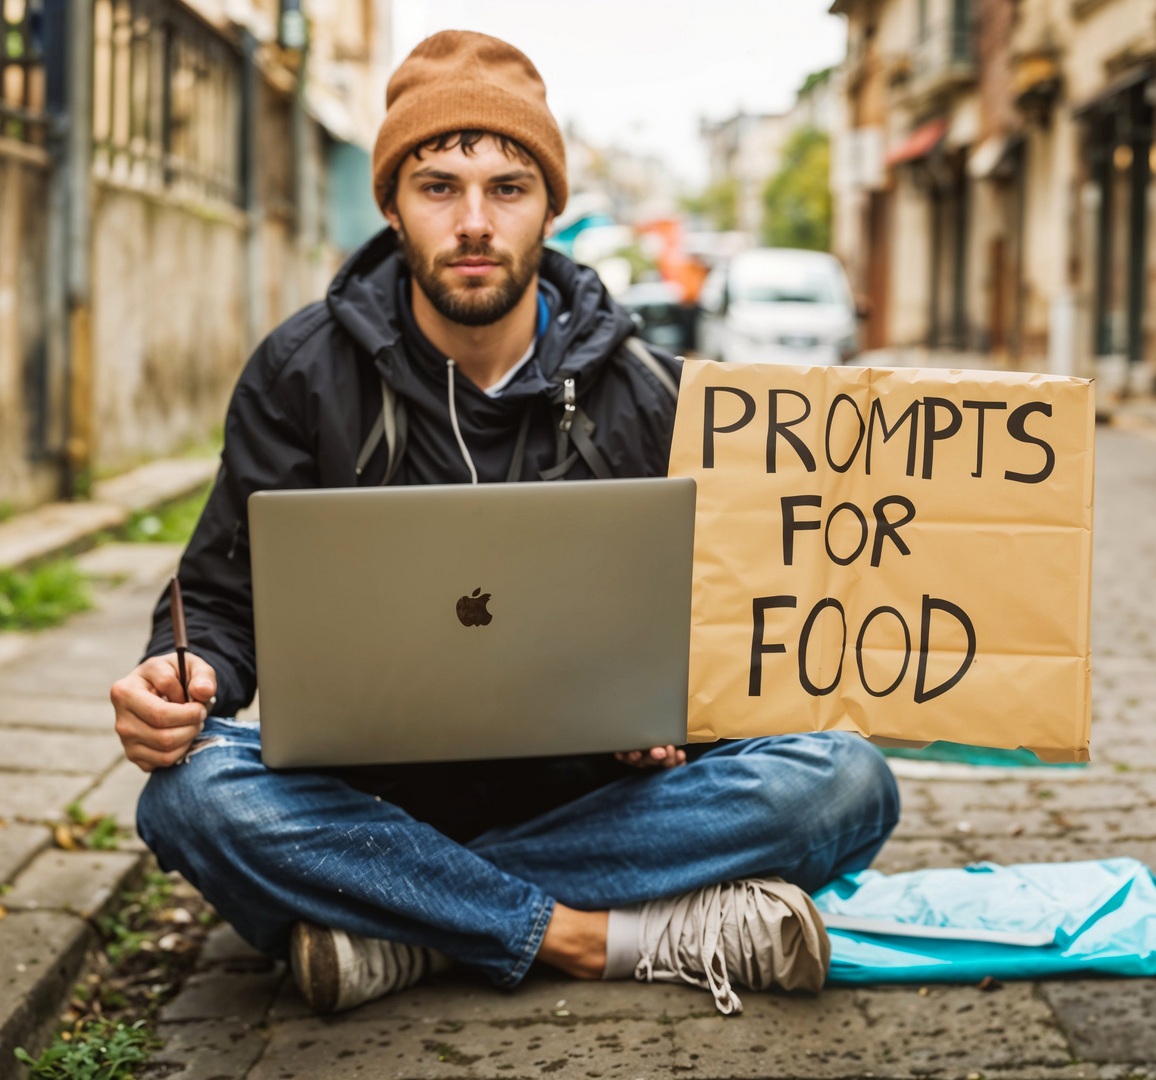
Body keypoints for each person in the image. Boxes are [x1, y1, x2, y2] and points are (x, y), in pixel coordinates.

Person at [109, 30, 899, 1017]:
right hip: (369, 797)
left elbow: (725, 628)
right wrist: (187, 676)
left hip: (595, 800)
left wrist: (680, 721)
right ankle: (585, 936)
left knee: (848, 778)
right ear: (391, 203)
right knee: (188, 793)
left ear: (552, 208)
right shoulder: (299, 372)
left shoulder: (653, 392)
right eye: (439, 186)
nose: (474, 221)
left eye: (508, 189)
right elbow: (220, 597)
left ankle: (400, 923)